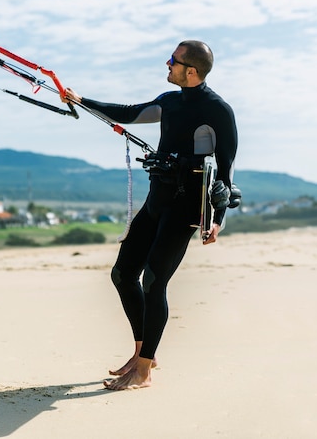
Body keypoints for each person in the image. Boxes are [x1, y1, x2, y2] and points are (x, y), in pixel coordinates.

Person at [62, 40, 238, 391]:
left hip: (186, 208)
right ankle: (144, 352)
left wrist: (218, 218)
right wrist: (80, 100)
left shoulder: (217, 110)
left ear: (191, 70)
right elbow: (129, 113)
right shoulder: (170, 101)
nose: (167, 64)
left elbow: (226, 174)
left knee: (154, 282)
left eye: (173, 61)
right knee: (123, 274)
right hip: (156, 201)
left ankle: (143, 372)